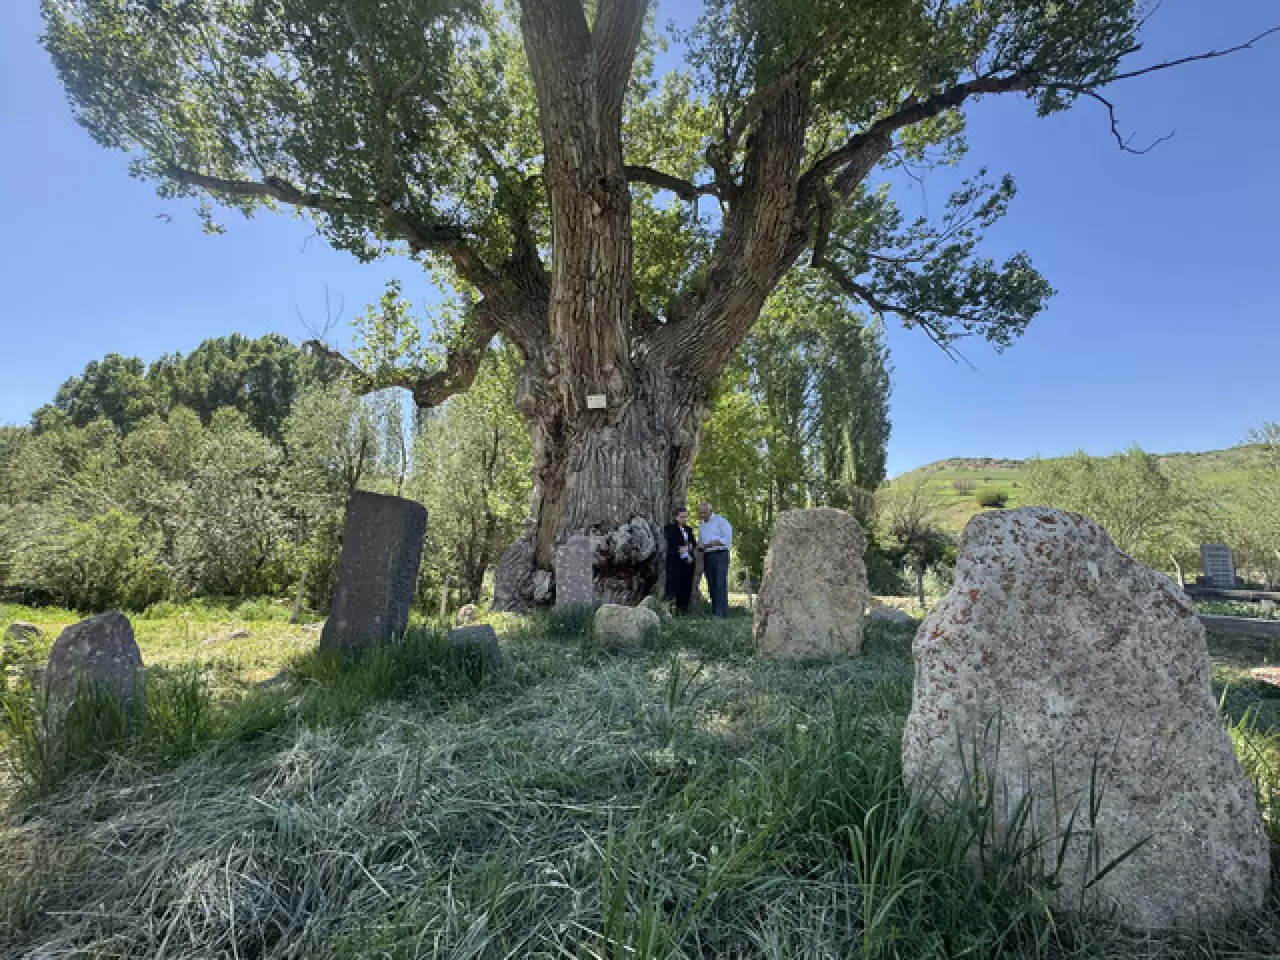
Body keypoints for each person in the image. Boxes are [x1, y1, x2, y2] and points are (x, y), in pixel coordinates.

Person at [697, 501, 732, 618]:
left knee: (720, 582)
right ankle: (715, 609)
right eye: (700, 513)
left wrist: (713, 543)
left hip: (720, 554)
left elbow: (727, 539)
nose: (702, 515)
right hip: (708, 555)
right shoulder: (701, 526)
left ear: (710, 511)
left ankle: (721, 612)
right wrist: (700, 546)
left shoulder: (721, 522)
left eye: (704, 513)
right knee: (711, 582)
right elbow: (701, 541)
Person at [663, 507, 696, 613]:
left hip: (688, 561)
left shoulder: (689, 529)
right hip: (675, 561)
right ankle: (671, 608)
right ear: (676, 517)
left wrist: (688, 549)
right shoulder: (670, 529)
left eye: (686, 517)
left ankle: (684, 608)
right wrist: (685, 553)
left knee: (686, 584)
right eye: (682, 517)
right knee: (674, 584)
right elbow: (674, 545)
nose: (684, 519)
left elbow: (693, 543)